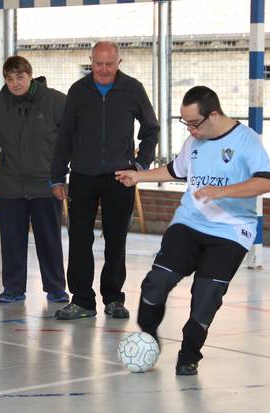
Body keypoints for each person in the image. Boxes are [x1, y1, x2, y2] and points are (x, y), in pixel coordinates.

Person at [115, 86, 270, 375]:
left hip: (230, 231)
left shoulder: (246, 140)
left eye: (193, 123)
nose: (189, 130)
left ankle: (189, 354)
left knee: (206, 294)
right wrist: (139, 176)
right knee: (157, 282)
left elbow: (265, 182)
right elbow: (177, 171)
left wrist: (222, 191)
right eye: (184, 122)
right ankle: (148, 337)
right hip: (189, 222)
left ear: (213, 115)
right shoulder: (194, 141)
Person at [50, 41, 159, 320]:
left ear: (119, 63)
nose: (103, 69)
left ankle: (113, 298)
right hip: (82, 177)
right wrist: (57, 177)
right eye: (98, 64)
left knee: (116, 240)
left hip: (119, 178)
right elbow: (64, 138)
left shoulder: (133, 89)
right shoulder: (78, 91)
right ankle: (83, 301)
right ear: (91, 61)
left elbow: (151, 129)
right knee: (79, 240)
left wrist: (140, 165)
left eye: (109, 64)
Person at [0, 56, 69, 304]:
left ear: (30, 75)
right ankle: (13, 288)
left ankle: (55, 287)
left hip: (46, 183)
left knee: (49, 238)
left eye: (20, 77)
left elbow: (72, 132)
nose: (15, 83)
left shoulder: (54, 100)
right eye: (9, 79)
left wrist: (61, 169)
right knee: (12, 240)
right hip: (10, 184)